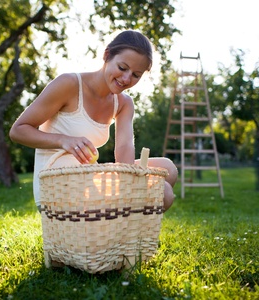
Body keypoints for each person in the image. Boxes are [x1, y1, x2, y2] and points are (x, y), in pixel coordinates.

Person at [9, 30, 177, 211]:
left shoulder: (123, 103)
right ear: (106, 55)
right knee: (162, 191)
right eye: (122, 68)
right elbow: (18, 131)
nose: (127, 79)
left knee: (167, 171)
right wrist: (63, 140)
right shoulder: (69, 84)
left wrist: (130, 182)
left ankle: (129, 233)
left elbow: (124, 151)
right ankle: (120, 229)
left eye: (136, 75)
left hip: (89, 176)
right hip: (56, 183)